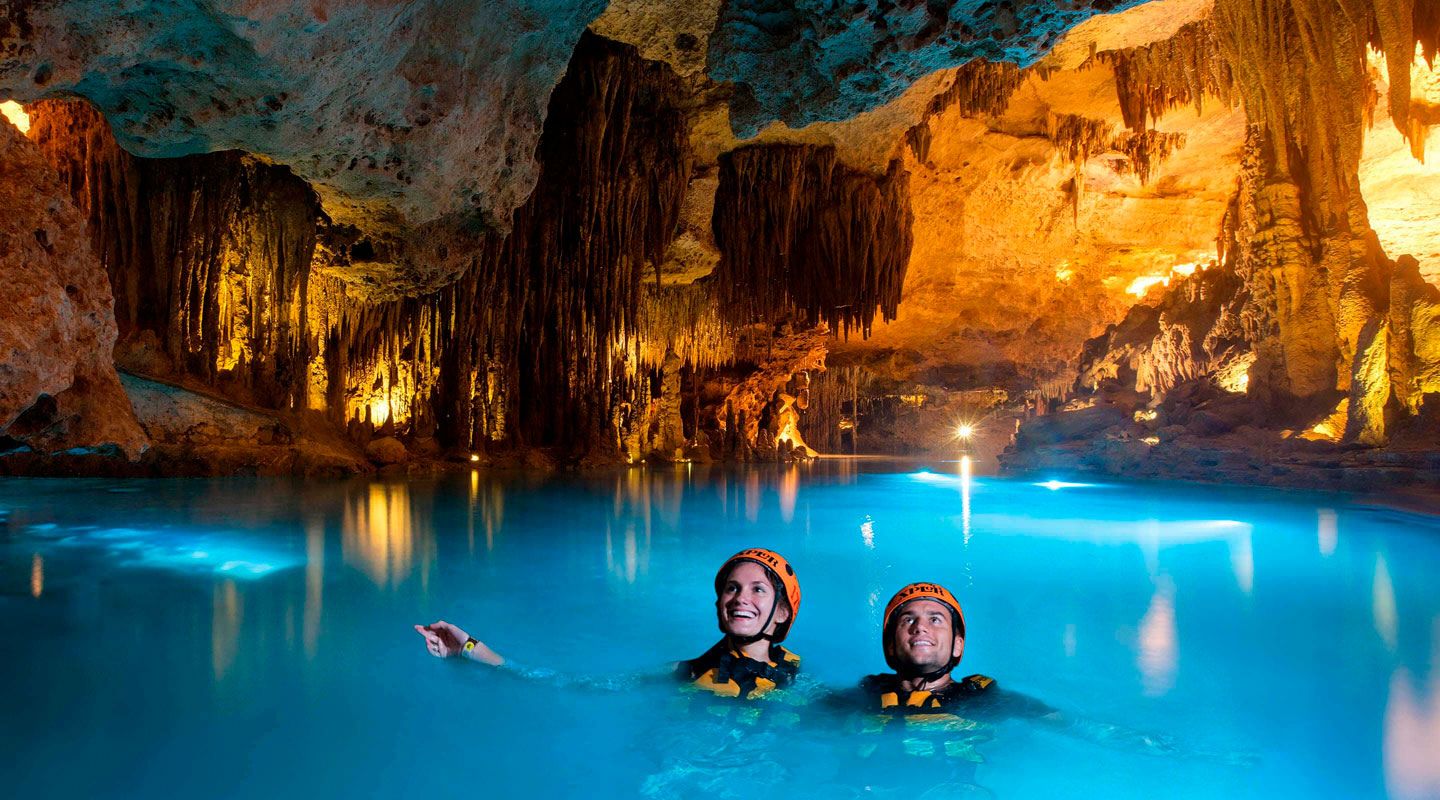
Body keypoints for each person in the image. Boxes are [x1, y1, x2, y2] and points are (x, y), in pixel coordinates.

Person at [415, 547, 802, 700]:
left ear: (782, 612)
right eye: (732, 588)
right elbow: (576, 684)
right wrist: (471, 649)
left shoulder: (790, 666)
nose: (741, 600)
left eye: (758, 590)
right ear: (719, 603)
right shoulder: (686, 674)